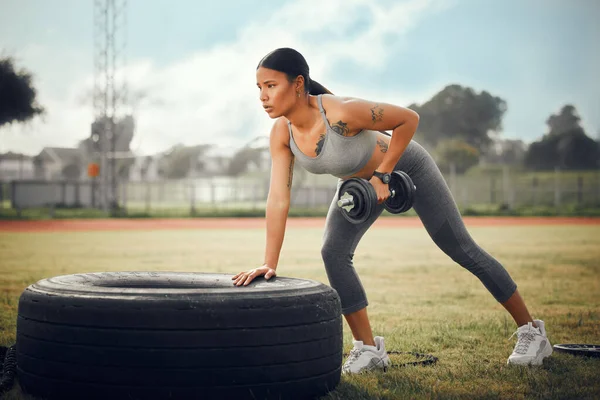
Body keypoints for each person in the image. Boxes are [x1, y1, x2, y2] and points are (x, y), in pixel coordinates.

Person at [232, 47, 552, 373]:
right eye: (259, 88)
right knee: (333, 251)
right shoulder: (281, 134)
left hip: (406, 166)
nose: (263, 96)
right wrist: (269, 263)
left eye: (271, 85)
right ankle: (369, 350)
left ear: (298, 84)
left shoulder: (341, 112)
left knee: (460, 248)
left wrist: (383, 174)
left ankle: (532, 331)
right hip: (361, 185)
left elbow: (408, 119)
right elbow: (278, 199)